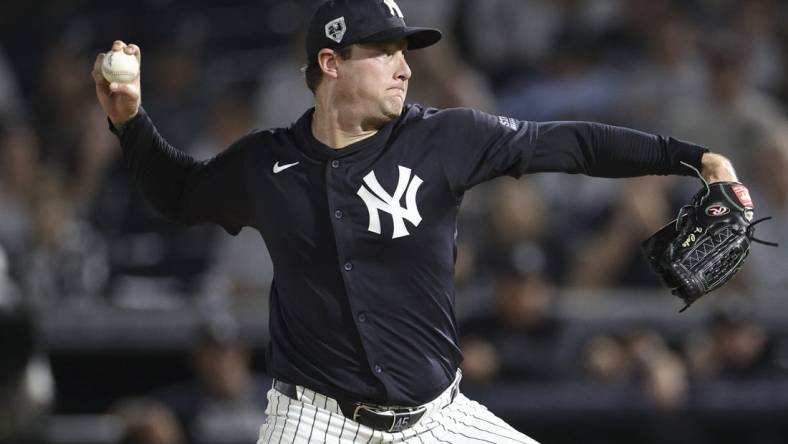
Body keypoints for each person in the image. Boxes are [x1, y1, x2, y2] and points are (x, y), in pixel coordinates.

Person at [92, 1, 742, 442]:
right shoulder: (267, 163)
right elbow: (179, 195)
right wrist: (130, 121)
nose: (405, 65)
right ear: (330, 65)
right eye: (384, 52)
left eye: (406, 50)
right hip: (318, 425)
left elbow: (570, 143)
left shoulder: (445, 139)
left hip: (441, 416)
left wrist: (690, 157)